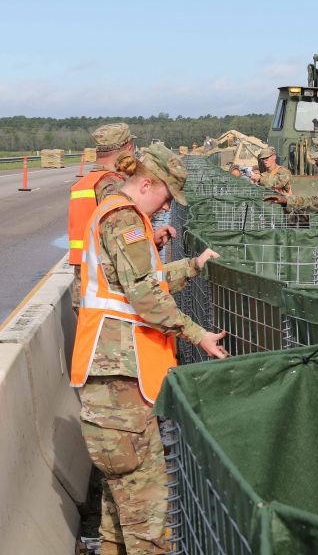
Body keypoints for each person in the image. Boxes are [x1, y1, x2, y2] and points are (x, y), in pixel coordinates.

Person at [71, 143, 229, 553]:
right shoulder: (124, 219)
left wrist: (193, 266)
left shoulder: (119, 215)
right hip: (121, 384)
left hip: (115, 382)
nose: (167, 207)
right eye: (166, 196)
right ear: (146, 184)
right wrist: (197, 334)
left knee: (119, 511)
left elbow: (145, 281)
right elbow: (145, 297)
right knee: (149, 516)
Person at [68, 123, 175, 312]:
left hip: (86, 282)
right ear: (129, 148)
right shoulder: (113, 186)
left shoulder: (86, 183)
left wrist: (150, 240)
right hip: (108, 289)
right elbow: (121, 242)